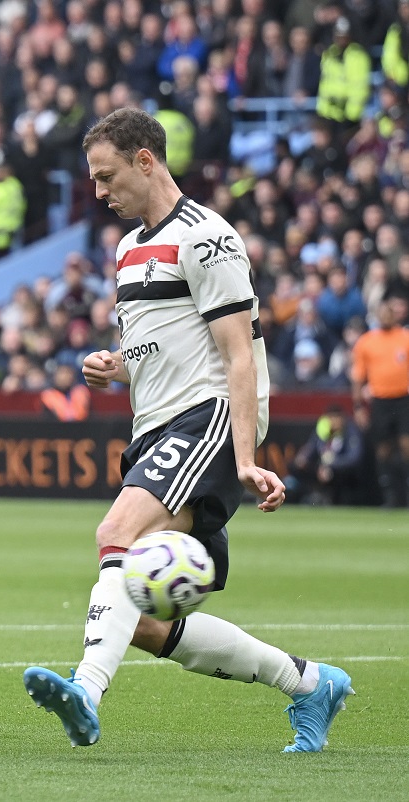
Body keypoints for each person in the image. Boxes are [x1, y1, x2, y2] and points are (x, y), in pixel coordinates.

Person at [22, 108, 352, 753]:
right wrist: (119, 369)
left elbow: (236, 355)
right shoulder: (126, 249)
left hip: (208, 420)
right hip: (156, 427)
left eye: (107, 176)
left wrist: (248, 455)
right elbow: (168, 347)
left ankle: (85, 691)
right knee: (139, 620)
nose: (99, 192)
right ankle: (311, 683)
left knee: (115, 534)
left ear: (146, 159)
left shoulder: (208, 238)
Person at [350, 298, 409, 508]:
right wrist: (358, 406)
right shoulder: (366, 342)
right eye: (381, 313)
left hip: (404, 400)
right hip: (380, 401)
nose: (385, 317)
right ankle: (390, 497)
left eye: (389, 313)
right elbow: (358, 377)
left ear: (395, 315)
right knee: (382, 450)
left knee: (405, 445)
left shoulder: (405, 338)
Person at [283, 405, 366, 506]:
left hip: (342, 472)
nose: (333, 422)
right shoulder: (322, 429)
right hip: (321, 468)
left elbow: (353, 458)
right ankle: (305, 496)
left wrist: (332, 465)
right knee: (295, 466)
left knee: (335, 473)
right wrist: (303, 458)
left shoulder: (350, 431)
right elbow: (311, 448)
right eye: (330, 418)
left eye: (336, 418)